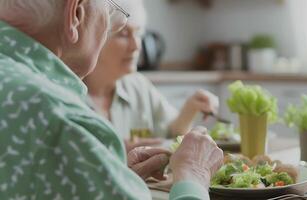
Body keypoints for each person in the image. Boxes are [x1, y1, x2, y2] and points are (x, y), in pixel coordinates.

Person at [0, 0, 223, 199]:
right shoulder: (65, 121)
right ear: (75, 13)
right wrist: (194, 176)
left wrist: (108, 172)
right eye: (109, 13)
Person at [83, 0, 219, 151]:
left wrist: (190, 108)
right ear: (96, 38)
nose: (136, 46)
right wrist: (118, 151)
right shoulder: (71, 95)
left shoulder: (139, 86)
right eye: (123, 34)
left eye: (138, 33)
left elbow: (172, 133)